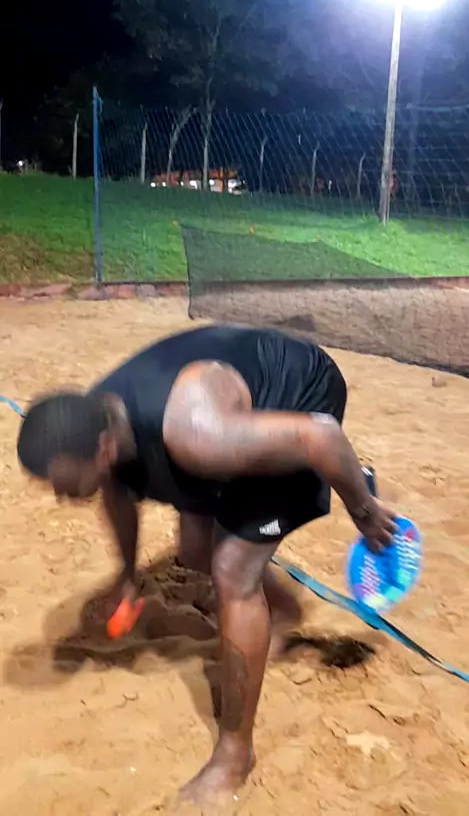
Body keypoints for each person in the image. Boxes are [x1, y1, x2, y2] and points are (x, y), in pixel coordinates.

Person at [17, 324, 396, 803]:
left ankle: (236, 754)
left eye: (61, 481)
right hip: (225, 400)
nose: (59, 495)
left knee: (232, 570)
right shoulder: (94, 420)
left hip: (300, 393)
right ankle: (282, 610)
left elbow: (320, 435)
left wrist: (365, 512)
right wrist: (127, 576)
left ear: (103, 448)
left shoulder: (194, 434)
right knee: (195, 554)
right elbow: (116, 490)